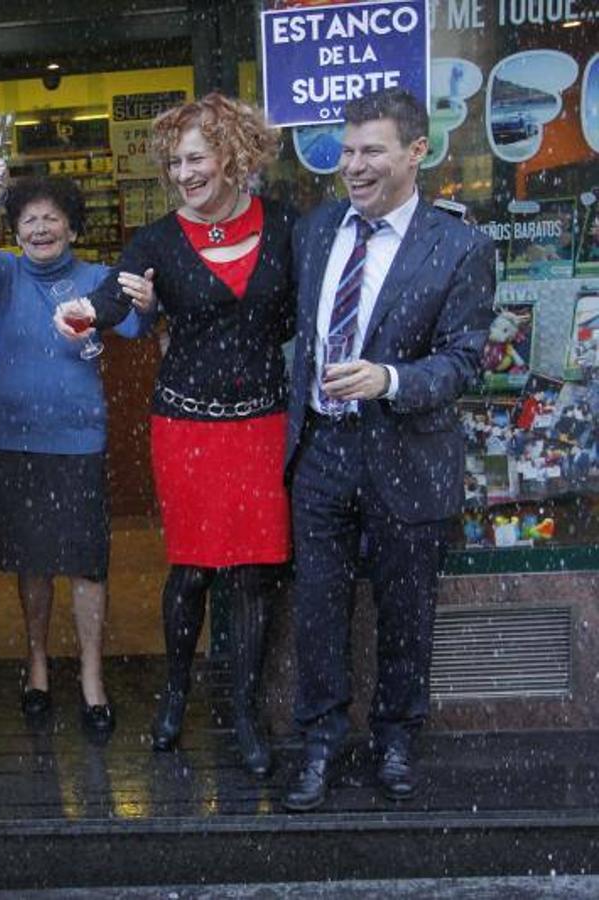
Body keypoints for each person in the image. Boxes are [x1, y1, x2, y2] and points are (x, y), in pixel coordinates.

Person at [55, 93, 295, 777]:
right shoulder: (157, 240)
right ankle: (175, 694)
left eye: (194, 157)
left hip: (261, 426)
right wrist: (81, 312)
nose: (183, 172)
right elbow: (108, 299)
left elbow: (304, 313)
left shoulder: (283, 227)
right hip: (185, 425)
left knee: (249, 576)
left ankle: (244, 713)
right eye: (174, 161)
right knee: (189, 571)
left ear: (231, 155)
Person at [280, 88, 494, 812]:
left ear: (415, 152)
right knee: (317, 610)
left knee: (406, 610)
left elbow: (466, 361)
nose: (353, 166)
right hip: (321, 452)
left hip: (406, 452)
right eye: (345, 152)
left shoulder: (459, 245)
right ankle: (319, 743)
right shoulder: (313, 232)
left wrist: (390, 378)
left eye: (370, 150)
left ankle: (396, 739)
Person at [0, 151, 130, 734]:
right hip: (13, 438)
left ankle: (92, 676)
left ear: (73, 227)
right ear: (17, 230)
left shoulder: (97, 280)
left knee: (86, 564)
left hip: (78, 441)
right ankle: (36, 665)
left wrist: (135, 306)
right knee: (31, 562)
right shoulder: (3, 274)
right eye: (28, 219)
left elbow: (134, 323)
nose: (40, 228)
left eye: (52, 218)